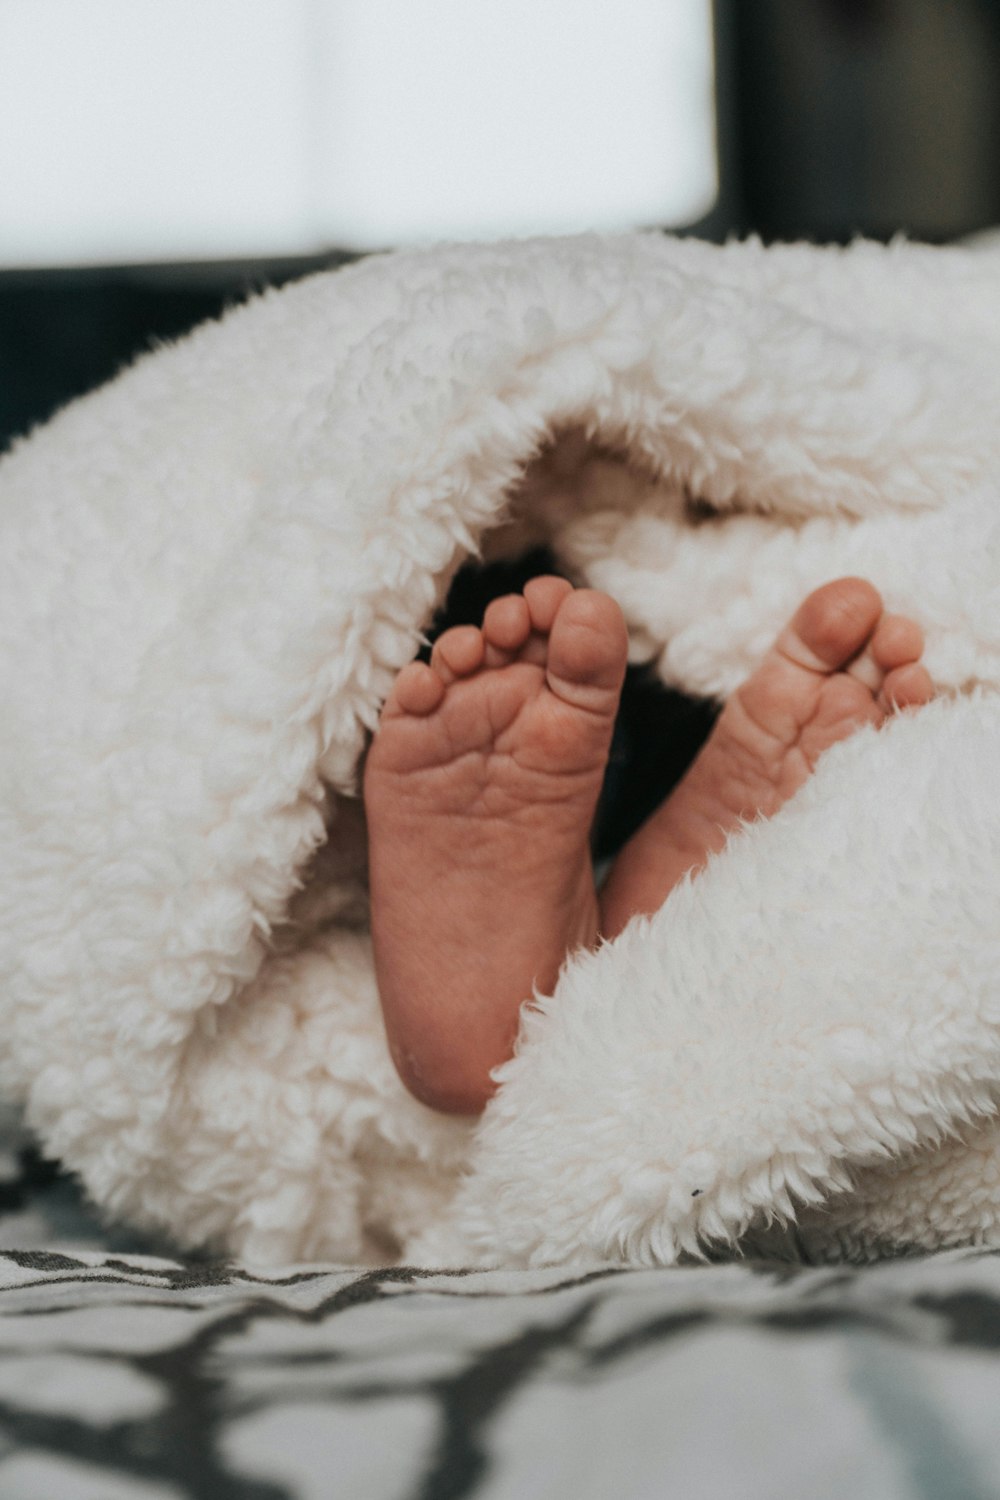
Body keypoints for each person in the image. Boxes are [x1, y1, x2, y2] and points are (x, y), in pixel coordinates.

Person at [364, 575, 933, 1115]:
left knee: (542, 670)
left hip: (488, 651)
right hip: (636, 719)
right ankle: (656, 938)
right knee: (587, 691)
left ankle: (590, 960)